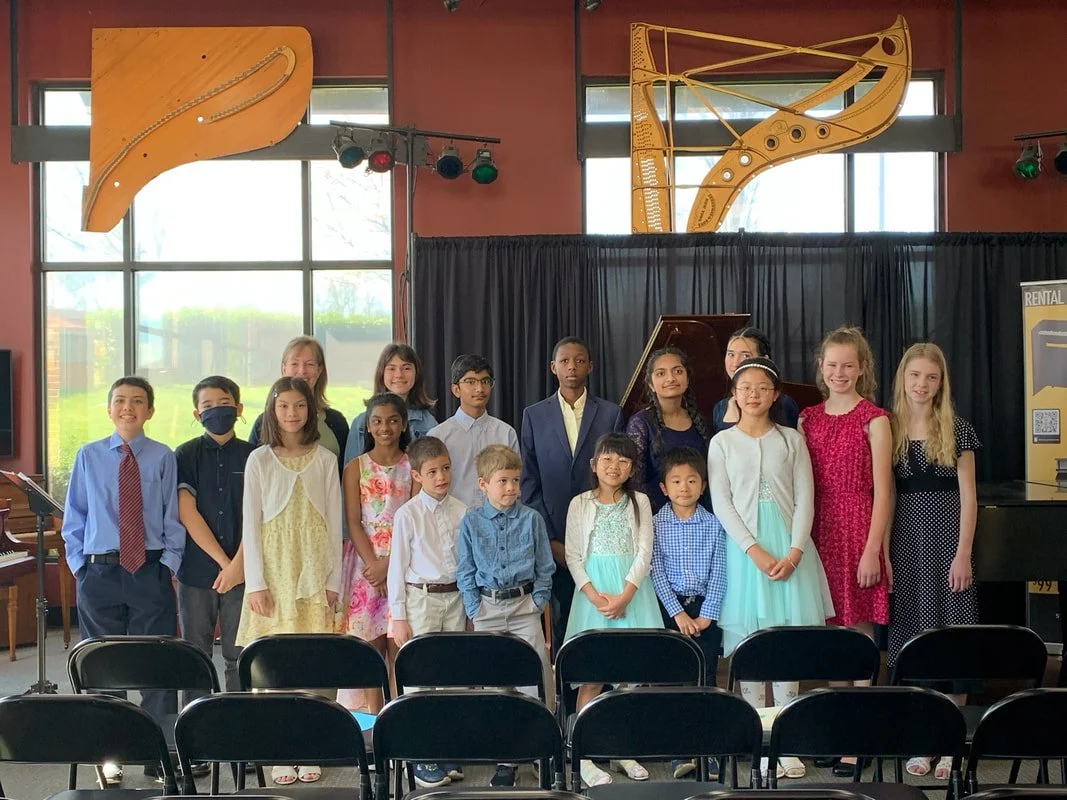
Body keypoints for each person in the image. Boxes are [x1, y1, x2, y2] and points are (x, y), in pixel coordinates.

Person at [708, 357, 833, 782]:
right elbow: (722, 504)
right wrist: (753, 551)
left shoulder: (791, 440)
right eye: (746, 388)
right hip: (745, 554)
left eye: (762, 387)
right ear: (734, 395)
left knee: (785, 643)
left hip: (788, 548)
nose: (754, 394)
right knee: (750, 643)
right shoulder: (721, 444)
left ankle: (786, 739)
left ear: (775, 394)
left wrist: (796, 550)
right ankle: (758, 738)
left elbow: (806, 499)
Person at [61, 376, 186, 785]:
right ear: (109, 408)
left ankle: (157, 755)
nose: (127, 408)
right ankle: (109, 756)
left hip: (149, 570)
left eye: (137, 401)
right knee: (104, 667)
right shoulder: (88, 455)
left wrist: (168, 565)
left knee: (156, 664)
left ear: (150, 410)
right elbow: (74, 516)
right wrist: (80, 565)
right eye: (119, 401)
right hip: (99, 572)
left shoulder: (163, 456)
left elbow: (171, 516)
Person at [236, 376, 343, 787]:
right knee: (274, 666)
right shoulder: (259, 459)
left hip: (314, 568)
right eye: (284, 407)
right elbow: (252, 524)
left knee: (313, 663)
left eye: (299, 406)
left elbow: (334, 524)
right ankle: (279, 748)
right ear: (272, 410)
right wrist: (256, 583)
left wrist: (332, 578)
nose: (292, 414)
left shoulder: (325, 459)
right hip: (274, 570)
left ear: (310, 410)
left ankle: (309, 744)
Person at [887, 343, 980, 781]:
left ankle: (950, 744)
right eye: (915, 376)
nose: (922, 384)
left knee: (953, 641)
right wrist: (884, 553)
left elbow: (969, 498)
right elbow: (884, 500)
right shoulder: (889, 430)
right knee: (916, 637)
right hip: (907, 546)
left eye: (931, 377)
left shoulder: (958, 430)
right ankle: (924, 737)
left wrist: (963, 553)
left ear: (941, 383)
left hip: (948, 546)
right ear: (903, 379)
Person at [563, 433, 658, 788]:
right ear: (593, 465)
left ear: (632, 467)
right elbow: (573, 554)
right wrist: (593, 595)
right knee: (593, 674)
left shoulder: (641, 502)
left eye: (623, 461)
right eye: (607, 459)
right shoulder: (580, 504)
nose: (614, 467)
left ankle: (622, 748)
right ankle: (584, 753)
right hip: (593, 595)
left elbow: (645, 551)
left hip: (631, 593)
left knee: (629, 676)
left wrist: (625, 595)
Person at [456, 445, 554, 788]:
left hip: (524, 607)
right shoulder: (470, 521)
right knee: (499, 685)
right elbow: (465, 570)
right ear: (484, 484)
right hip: (488, 610)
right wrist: (474, 608)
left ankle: (541, 752)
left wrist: (538, 602)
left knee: (535, 680)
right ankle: (507, 757)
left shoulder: (532, 519)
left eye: (515, 480)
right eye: (503, 481)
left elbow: (545, 567)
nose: (511, 488)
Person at [520, 336, 623, 656]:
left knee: (604, 617)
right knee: (565, 621)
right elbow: (528, 481)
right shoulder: (534, 415)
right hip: (556, 537)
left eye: (579, 360)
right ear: (553, 367)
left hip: (603, 540)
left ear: (590, 366)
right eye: (564, 361)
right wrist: (550, 540)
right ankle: (568, 699)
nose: (572, 367)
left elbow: (617, 475)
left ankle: (604, 695)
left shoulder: (610, 413)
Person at [387, 435, 467, 789]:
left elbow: (466, 564)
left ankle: (445, 746)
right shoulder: (408, 514)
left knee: (451, 676)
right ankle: (421, 753)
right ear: (417, 475)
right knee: (420, 679)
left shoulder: (462, 509)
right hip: (420, 599)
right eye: (432, 471)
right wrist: (398, 616)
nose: (441, 477)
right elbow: (397, 568)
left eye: (446, 468)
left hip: (455, 599)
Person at [174, 376, 255, 701]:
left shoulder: (255, 455)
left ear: (238, 408)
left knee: (239, 655)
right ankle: (196, 730)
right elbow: (187, 512)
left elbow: (259, 518)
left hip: (245, 571)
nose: (216, 411)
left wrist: (238, 566)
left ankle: (238, 726)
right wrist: (225, 563)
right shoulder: (185, 454)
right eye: (207, 406)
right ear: (197, 414)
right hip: (196, 571)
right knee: (195, 655)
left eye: (224, 404)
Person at [650, 446, 727, 782]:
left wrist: (706, 614)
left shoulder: (714, 524)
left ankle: (707, 751)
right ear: (664, 488)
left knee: (705, 680)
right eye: (677, 481)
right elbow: (655, 570)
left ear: (703, 485)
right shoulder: (654, 524)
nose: (685, 487)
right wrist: (678, 613)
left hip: (705, 611)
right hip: (671, 611)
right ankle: (678, 752)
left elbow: (721, 571)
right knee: (672, 681)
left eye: (692, 480)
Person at [338, 393, 414, 714]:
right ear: (367, 426)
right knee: (369, 651)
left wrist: (389, 566)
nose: (385, 427)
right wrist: (374, 565)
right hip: (364, 568)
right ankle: (372, 722)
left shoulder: (414, 466)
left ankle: (400, 717)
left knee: (400, 647)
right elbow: (353, 522)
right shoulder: (356, 467)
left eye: (393, 420)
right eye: (377, 421)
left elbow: (416, 520)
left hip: (403, 564)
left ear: (404, 424)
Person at [248, 336, 349, 476]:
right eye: (294, 364)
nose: (302, 371)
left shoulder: (336, 422)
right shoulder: (263, 422)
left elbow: (346, 473)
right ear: (284, 369)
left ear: (319, 370)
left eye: (310, 364)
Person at [626, 347, 709, 514]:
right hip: (656, 518)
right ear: (651, 384)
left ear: (687, 377)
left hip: (698, 516)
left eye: (678, 371)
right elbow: (635, 482)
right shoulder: (640, 424)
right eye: (661, 374)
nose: (671, 378)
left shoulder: (700, 421)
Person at [428, 355, 518, 508]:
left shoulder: (506, 432)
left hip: (499, 521)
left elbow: (516, 480)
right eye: (470, 382)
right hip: (455, 523)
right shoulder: (438, 436)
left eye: (485, 381)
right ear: (456, 389)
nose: (479, 389)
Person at [344, 343, 438, 466]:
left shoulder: (429, 424)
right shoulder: (360, 423)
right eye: (391, 368)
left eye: (406, 368)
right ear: (381, 373)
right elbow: (350, 471)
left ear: (417, 373)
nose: (399, 375)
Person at [712, 326, 800, 433]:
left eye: (745, 356)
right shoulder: (720, 408)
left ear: (764, 359)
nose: (735, 363)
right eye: (731, 354)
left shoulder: (784, 404)